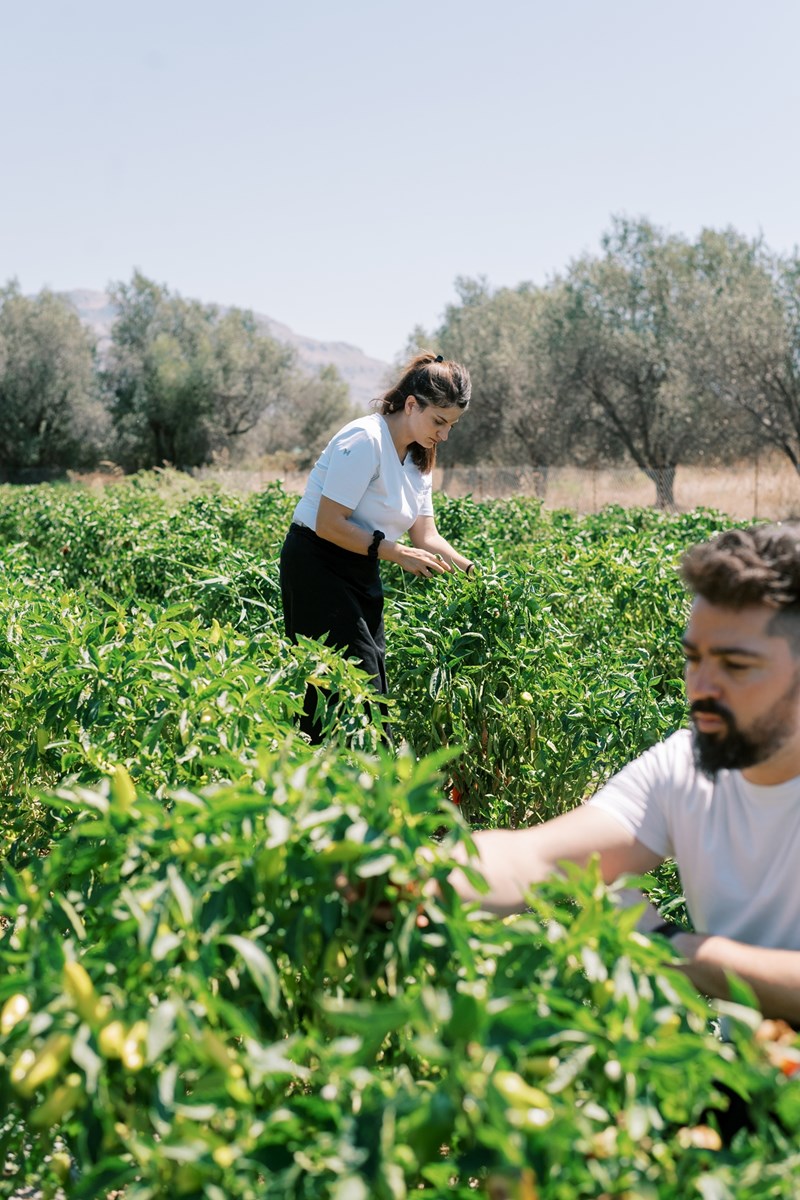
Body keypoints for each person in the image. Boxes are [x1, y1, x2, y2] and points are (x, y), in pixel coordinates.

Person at [448, 522, 800, 1025]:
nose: (701, 687)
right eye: (693, 658)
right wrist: (419, 876)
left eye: (736, 666)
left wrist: (675, 947)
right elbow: (534, 855)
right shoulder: (688, 763)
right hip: (760, 1069)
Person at [280, 351, 474, 743]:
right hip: (318, 563)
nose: (444, 434)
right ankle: (327, 785)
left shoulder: (420, 456)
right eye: (439, 421)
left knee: (370, 680)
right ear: (410, 404)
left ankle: (351, 787)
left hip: (361, 563)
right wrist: (397, 554)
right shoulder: (365, 439)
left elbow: (426, 536)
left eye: (451, 425)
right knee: (344, 687)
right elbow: (329, 523)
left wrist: (473, 573)